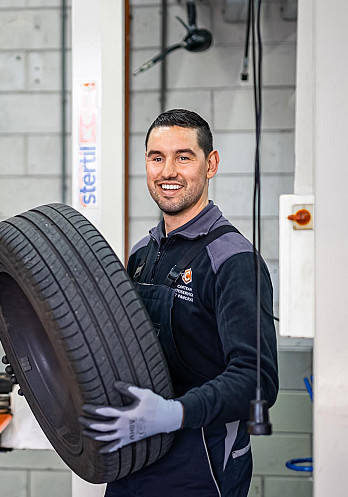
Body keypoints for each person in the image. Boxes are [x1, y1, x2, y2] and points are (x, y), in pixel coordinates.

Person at [79, 109, 279, 496]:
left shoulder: (232, 260)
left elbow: (258, 381)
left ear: (211, 164)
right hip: (134, 458)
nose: (167, 171)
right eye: (157, 157)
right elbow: (118, 351)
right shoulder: (142, 254)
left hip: (202, 463)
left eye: (183, 157)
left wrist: (175, 413)